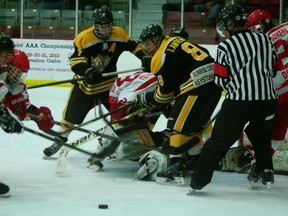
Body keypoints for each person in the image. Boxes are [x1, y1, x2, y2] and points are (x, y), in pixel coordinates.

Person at [189, 5, 278, 192]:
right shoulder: (265, 40)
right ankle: (267, 174)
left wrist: (236, 88)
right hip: (267, 102)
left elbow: (220, 79)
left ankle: (197, 182)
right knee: (261, 138)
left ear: (230, 24)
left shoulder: (226, 46)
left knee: (217, 143)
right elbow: (274, 68)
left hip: (239, 102)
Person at [42, 5, 145, 161]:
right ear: (95, 26)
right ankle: (58, 141)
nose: (105, 31)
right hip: (85, 88)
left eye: (108, 26)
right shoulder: (84, 38)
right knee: (70, 119)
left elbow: (136, 47)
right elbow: (76, 62)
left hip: (109, 88)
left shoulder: (120, 34)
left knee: (121, 118)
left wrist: (146, 58)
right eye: (102, 27)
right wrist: (87, 71)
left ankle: (126, 145)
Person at [134, 24, 222, 184]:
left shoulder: (159, 56)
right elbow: (203, 55)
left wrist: (145, 99)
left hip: (196, 88)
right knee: (192, 130)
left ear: (156, 39)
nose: (146, 47)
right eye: (144, 44)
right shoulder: (175, 40)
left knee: (176, 128)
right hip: (214, 85)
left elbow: (164, 96)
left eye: (148, 43)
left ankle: (175, 167)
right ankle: (196, 159)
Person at [0, 33, 54, 197]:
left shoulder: (15, 86)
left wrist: (37, 114)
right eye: (16, 72)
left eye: (21, 73)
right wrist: (5, 117)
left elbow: (22, 106)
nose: (18, 77)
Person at [245, 9, 288, 177]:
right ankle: (259, 162)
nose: (255, 32)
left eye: (256, 27)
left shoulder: (261, 43)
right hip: (281, 93)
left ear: (265, 23)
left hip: (279, 93)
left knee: (270, 128)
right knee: (277, 128)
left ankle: (258, 162)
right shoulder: (285, 27)